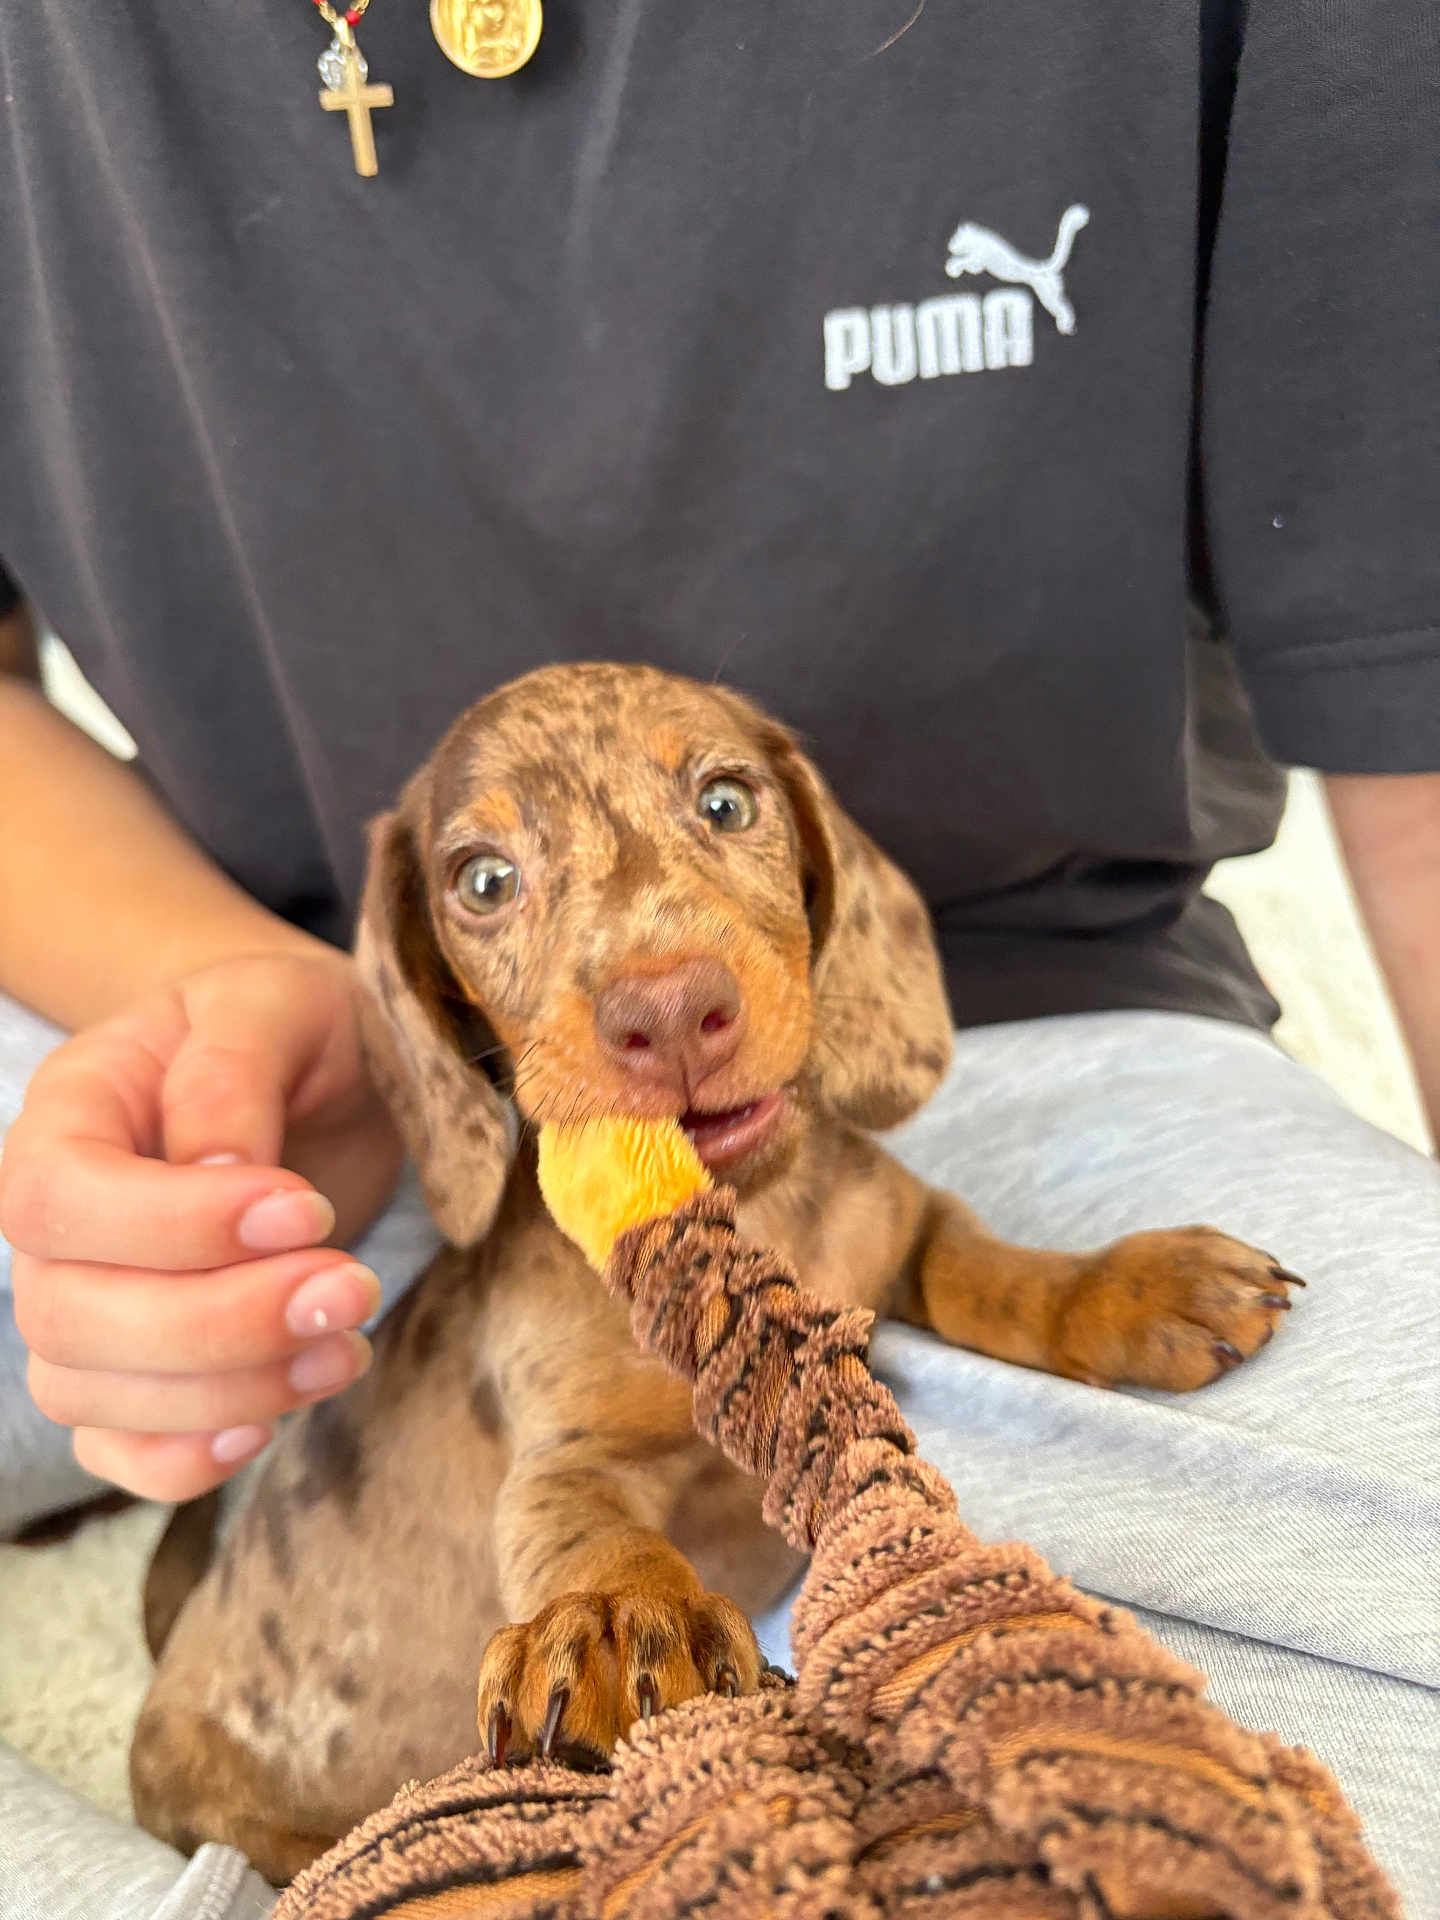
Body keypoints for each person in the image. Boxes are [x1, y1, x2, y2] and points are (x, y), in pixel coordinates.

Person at [0, 3, 1437, 1915]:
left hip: (1044, 1002)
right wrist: (243, 995)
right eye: (499, 876)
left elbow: (1410, 689)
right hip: (232, 1025)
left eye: (726, 814)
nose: (656, 969)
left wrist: (1044, 1293)